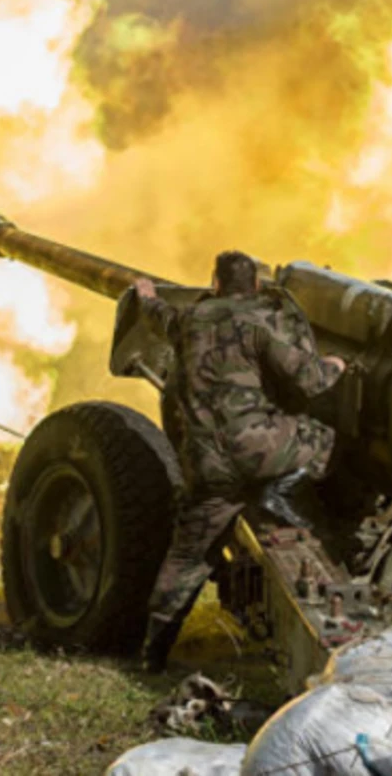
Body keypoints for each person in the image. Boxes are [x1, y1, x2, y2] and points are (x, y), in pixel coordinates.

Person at [134, 251, 345, 673]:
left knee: (187, 558)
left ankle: (152, 653)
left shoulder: (188, 322)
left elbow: (159, 315)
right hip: (261, 450)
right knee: (323, 439)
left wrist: (145, 296)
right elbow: (309, 380)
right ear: (254, 287)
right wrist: (335, 365)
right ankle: (279, 495)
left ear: (214, 283)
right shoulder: (259, 326)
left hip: (207, 466)